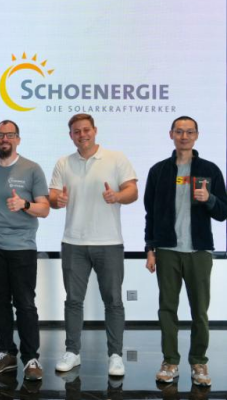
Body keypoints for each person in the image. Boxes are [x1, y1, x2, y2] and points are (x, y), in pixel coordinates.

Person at [49, 113, 138, 376]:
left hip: (109, 242)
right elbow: (53, 196)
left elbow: (132, 191)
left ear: (95, 130)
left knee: (113, 302)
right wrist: (57, 201)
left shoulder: (116, 158)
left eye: (86, 130)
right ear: (71, 136)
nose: (82, 135)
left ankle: (115, 356)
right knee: (73, 301)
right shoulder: (63, 162)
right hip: (73, 242)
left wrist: (117, 196)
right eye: (76, 131)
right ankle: (72, 352)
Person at [144, 116, 227, 386]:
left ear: (196, 135)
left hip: (199, 252)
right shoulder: (158, 171)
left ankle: (199, 362)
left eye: (189, 132)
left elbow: (223, 212)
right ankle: (170, 362)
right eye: (179, 131)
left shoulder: (209, 170)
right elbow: (150, 214)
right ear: (171, 134)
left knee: (199, 311)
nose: (184, 136)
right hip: (167, 250)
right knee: (167, 309)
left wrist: (209, 199)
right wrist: (150, 249)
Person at [0, 120, 50, 381]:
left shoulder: (32, 169)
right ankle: (6, 352)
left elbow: (44, 209)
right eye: (0, 135)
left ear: (18, 139)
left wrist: (25, 204)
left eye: (10, 135)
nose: (5, 139)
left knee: (25, 303)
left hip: (22, 247)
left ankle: (31, 358)